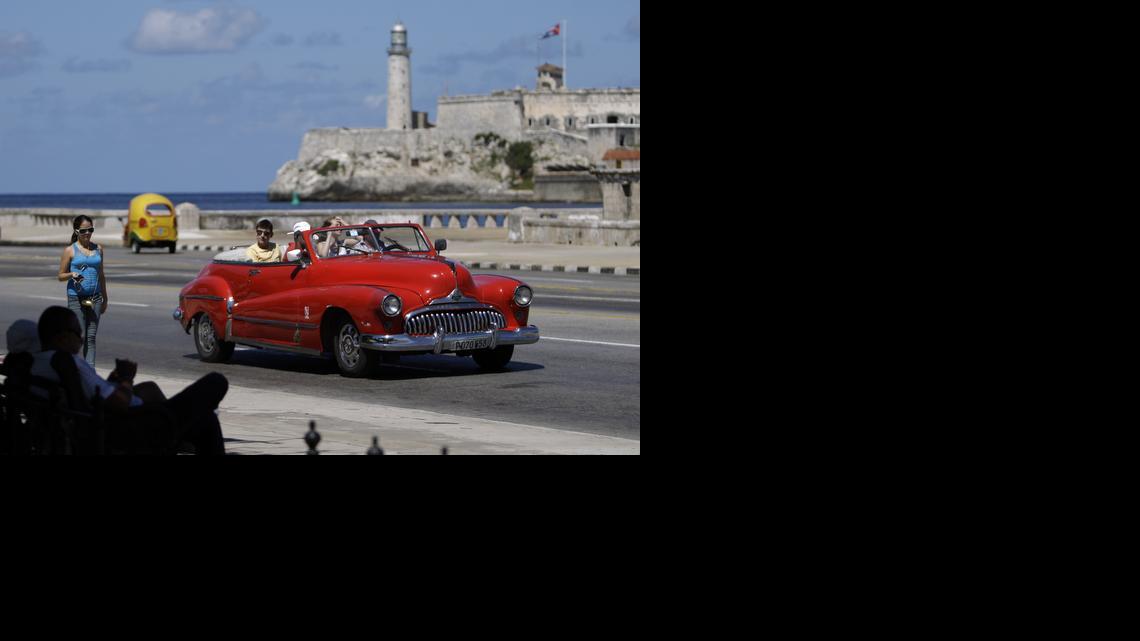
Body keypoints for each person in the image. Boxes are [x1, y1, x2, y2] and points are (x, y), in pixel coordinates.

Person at [31, 306, 227, 455]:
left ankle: (177, 433)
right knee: (215, 384)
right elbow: (119, 404)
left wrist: (113, 380)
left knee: (158, 392)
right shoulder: (68, 363)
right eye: (77, 334)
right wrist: (126, 378)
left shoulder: (38, 363)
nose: (81, 340)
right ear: (61, 338)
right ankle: (172, 435)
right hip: (125, 427)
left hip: (100, 420)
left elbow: (93, 395)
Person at [56, 215, 108, 366]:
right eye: (84, 230)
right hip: (76, 298)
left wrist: (105, 298)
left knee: (91, 337)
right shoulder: (70, 250)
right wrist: (72, 274)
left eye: (90, 230)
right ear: (77, 231)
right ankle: (72, 369)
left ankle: (89, 372)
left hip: (95, 298)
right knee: (78, 337)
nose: (87, 233)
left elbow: (101, 275)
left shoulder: (98, 249)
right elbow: (60, 276)